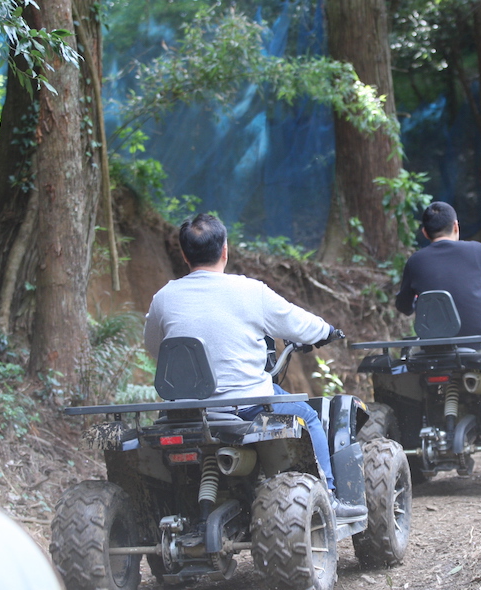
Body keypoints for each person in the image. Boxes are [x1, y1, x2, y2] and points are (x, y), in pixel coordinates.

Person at [144, 213, 366, 520]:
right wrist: (326, 330)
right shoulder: (250, 292)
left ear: (184, 254)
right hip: (246, 407)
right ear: (225, 250)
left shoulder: (163, 298)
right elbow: (297, 322)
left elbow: (155, 348)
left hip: (184, 412)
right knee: (309, 417)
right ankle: (328, 497)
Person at [395, 201, 481, 338]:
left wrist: (416, 302)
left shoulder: (415, 262)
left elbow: (404, 306)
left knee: (414, 350)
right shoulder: (477, 251)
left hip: (433, 348)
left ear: (425, 233)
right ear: (456, 226)